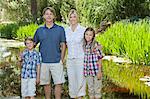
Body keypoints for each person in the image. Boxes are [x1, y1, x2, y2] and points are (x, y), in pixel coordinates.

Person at [33, 7, 66, 99]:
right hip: (43, 62)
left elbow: (63, 45)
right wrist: (24, 53)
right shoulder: (39, 30)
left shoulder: (60, 29)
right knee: (46, 84)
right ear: (43, 16)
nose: (49, 16)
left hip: (56, 61)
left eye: (51, 14)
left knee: (58, 83)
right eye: (47, 14)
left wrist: (62, 59)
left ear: (54, 16)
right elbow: (33, 44)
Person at [65, 9, 86, 99]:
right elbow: (63, 45)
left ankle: (80, 97)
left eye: (74, 16)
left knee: (81, 81)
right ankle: (73, 97)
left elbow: (90, 41)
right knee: (71, 81)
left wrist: (98, 47)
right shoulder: (66, 30)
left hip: (80, 59)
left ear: (77, 18)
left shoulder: (83, 30)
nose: (72, 18)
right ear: (69, 18)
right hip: (70, 59)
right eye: (71, 17)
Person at [83, 27, 103, 99]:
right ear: (84, 35)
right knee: (90, 90)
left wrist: (99, 71)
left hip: (96, 71)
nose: (88, 36)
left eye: (90, 35)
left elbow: (100, 58)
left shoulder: (95, 45)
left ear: (93, 36)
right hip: (88, 72)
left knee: (97, 90)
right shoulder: (84, 46)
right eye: (86, 34)